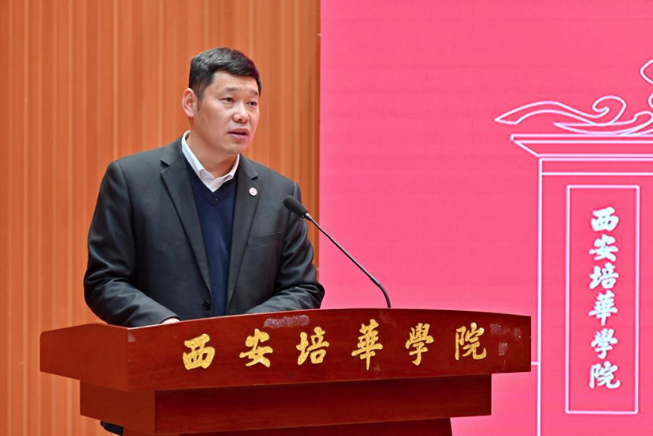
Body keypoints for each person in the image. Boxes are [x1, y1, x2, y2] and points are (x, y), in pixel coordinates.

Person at [84, 47, 323, 434]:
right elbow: (104, 280)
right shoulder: (131, 180)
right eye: (228, 100)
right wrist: (165, 325)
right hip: (159, 391)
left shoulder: (281, 194)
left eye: (252, 103)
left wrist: (244, 331)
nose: (243, 114)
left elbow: (302, 288)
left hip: (252, 394)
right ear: (190, 103)